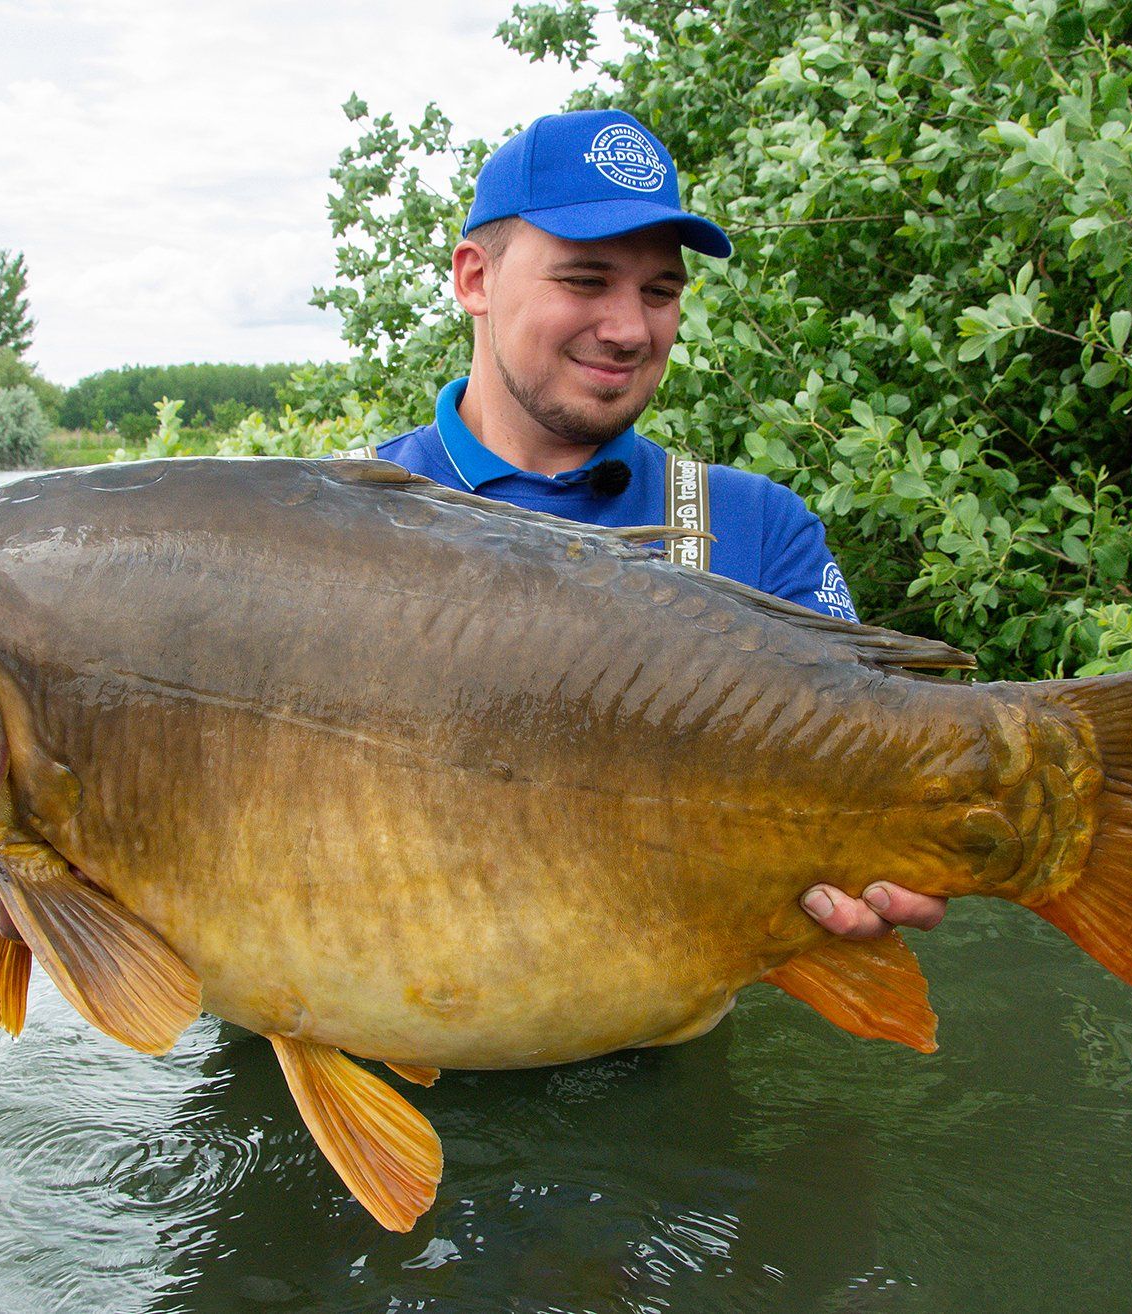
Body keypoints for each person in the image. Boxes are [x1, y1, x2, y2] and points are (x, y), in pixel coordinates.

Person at [354, 108, 944, 943]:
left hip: (666, 1046)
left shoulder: (758, 529)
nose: (631, 329)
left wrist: (897, 858)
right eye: (585, 280)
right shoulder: (329, 523)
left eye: (660, 291)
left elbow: (886, 761)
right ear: (474, 278)